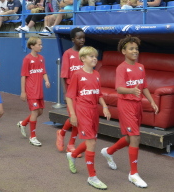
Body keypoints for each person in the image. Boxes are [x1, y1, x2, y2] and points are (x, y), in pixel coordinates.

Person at [101, 35, 159, 188]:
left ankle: (109, 151)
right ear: (123, 51)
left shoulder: (140, 67)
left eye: (136, 48)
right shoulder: (121, 67)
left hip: (138, 105)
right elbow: (119, 88)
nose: (135, 51)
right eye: (131, 48)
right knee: (136, 138)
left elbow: (144, 86)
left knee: (129, 137)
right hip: (126, 105)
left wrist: (152, 101)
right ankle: (133, 174)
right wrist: (131, 91)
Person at [66, 46, 110, 190]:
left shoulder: (97, 74)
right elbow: (69, 96)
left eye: (95, 56)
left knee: (91, 140)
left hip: (94, 111)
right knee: (91, 142)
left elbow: (99, 94)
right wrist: (73, 114)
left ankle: (72, 155)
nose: (94, 58)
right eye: (91, 56)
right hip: (82, 111)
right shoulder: (77, 74)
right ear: (83, 59)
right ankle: (92, 177)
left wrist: (104, 106)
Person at [56, 28, 85, 158]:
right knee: (75, 118)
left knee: (78, 120)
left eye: (83, 38)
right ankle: (64, 136)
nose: (82, 40)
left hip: (83, 92)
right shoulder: (68, 54)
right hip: (71, 93)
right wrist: (64, 93)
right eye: (79, 38)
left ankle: (68, 141)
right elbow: (63, 75)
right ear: (73, 39)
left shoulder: (85, 54)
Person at [17, 36, 50, 147]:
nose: (41, 46)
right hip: (31, 90)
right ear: (32, 46)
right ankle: (33, 137)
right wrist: (23, 92)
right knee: (35, 112)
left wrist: (46, 81)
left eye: (41, 44)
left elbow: (43, 71)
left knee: (39, 112)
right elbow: (23, 76)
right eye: (39, 44)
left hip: (39, 90)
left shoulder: (41, 58)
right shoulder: (27, 59)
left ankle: (23, 123)